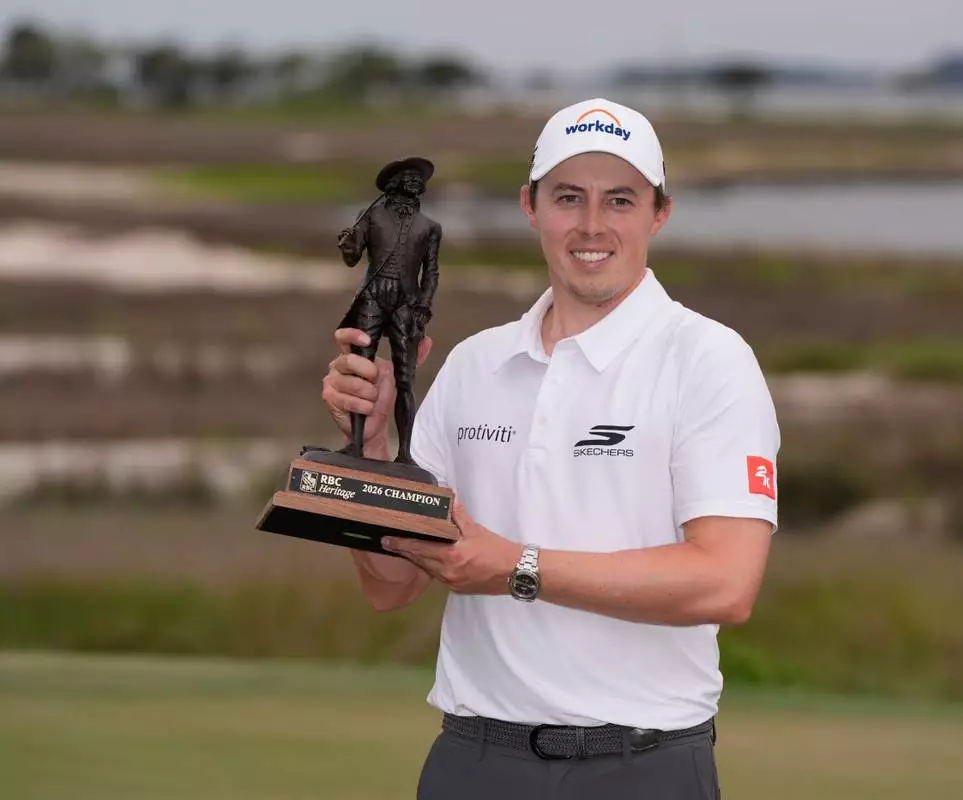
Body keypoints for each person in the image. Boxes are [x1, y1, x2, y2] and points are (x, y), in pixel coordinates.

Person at [321, 98, 780, 800]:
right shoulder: (475, 365)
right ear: (530, 206)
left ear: (659, 213)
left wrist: (516, 566)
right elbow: (391, 586)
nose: (592, 225)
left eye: (619, 200)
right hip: (473, 761)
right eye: (568, 197)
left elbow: (726, 582)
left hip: (642, 767)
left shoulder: (708, 360)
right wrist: (377, 450)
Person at [334, 156, 440, 462]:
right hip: (373, 297)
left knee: (405, 378)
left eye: (419, 178)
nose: (416, 181)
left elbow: (431, 273)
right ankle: (355, 444)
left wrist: (424, 307)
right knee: (360, 371)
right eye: (410, 176)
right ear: (395, 183)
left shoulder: (430, 227)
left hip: (406, 304)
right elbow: (352, 258)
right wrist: (347, 244)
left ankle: (405, 453)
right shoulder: (371, 216)